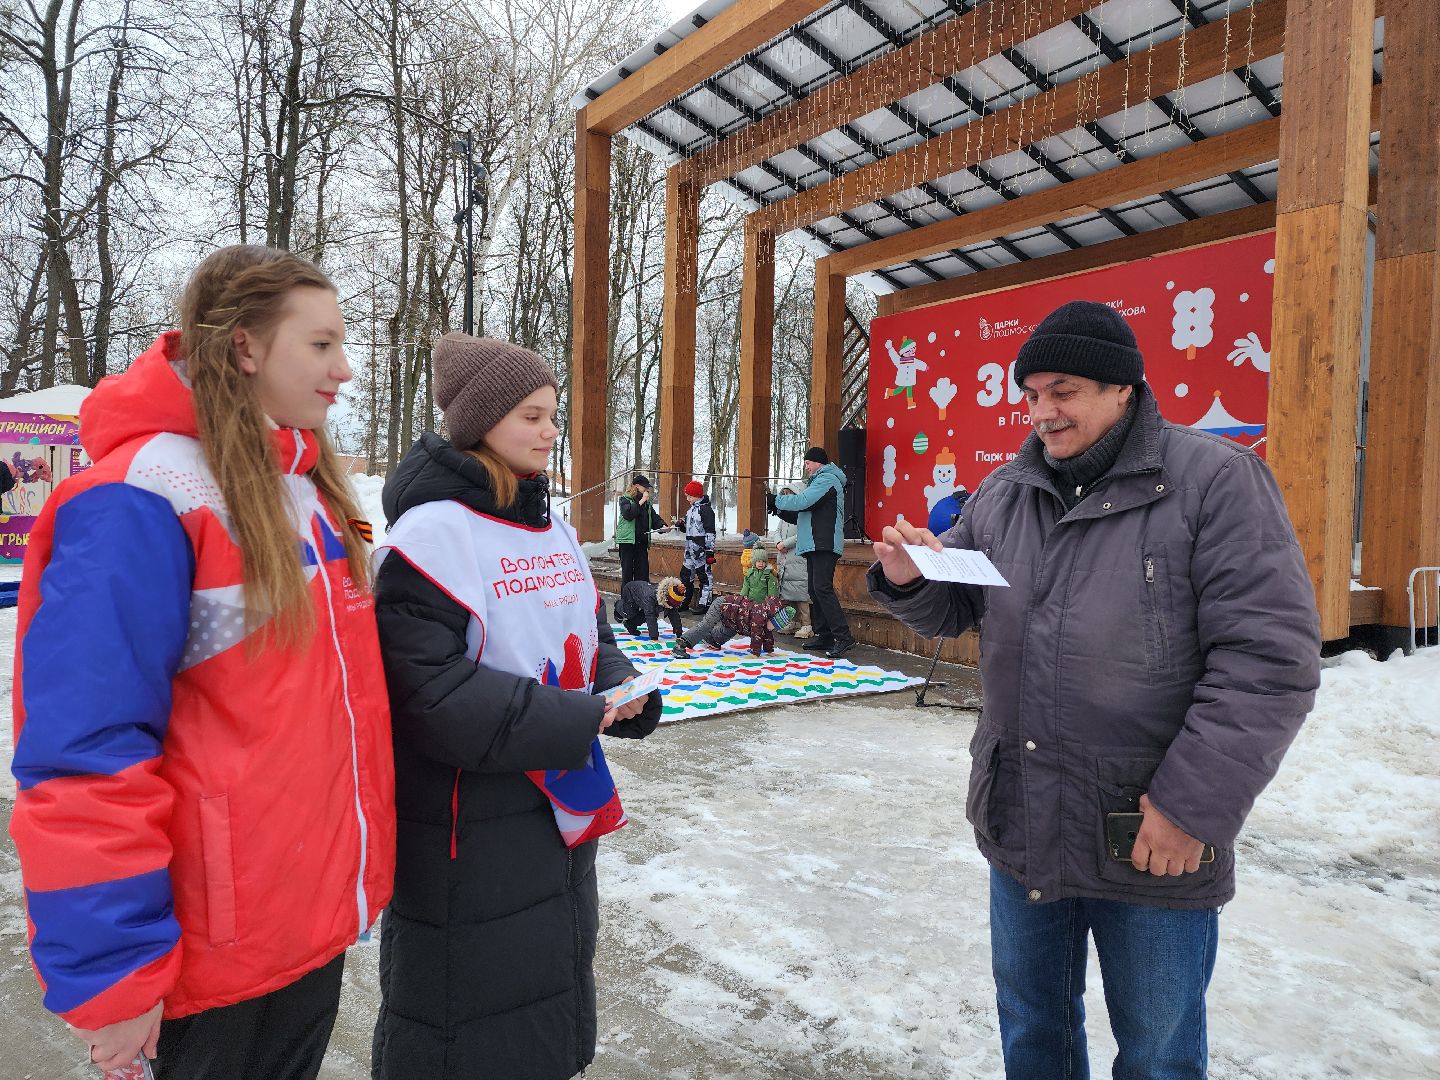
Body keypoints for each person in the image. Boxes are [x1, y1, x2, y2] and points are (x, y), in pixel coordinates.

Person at [868, 300, 1321, 1079]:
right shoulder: (1007, 492)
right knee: (1035, 1039)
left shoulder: (1215, 482)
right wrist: (908, 578)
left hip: (1149, 836)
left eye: (1064, 390)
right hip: (1024, 821)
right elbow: (956, 607)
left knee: (1157, 1058)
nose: (1042, 411)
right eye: (1032, 393)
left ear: (1123, 389)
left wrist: (1190, 810)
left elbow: (1268, 662)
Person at [8, 245, 396, 1078]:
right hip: (203, 958)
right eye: (321, 345)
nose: (346, 369)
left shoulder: (305, 487)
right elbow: (85, 752)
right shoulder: (139, 497)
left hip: (302, 924)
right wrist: (114, 976)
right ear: (245, 347)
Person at [370, 332, 662, 1080]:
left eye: (553, 416)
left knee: (544, 999)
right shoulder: (430, 537)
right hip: (470, 832)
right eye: (531, 415)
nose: (550, 432)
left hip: (557, 815)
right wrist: (572, 720)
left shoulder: (551, 524)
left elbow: (586, 630)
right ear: (479, 422)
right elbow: (429, 695)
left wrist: (623, 688)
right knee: (467, 1025)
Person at [768, 447, 853, 658]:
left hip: (824, 542)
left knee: (822, 588)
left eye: (808, 463)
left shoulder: (828, 480)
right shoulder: (817, 483)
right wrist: (779, 510)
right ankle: (825, 635)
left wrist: (776, 500)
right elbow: (803, 516)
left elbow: (803, 501)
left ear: (819, 463)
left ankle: (844, 637)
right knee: (815, 591)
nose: (806, 466)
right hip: (815, 542)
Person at [672, 592, 794, 658]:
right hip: (722, 605)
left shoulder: (766, 621)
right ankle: (680, 645)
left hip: (734, 619)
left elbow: (767, 635)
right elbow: (756, 636)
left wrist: (769, 650)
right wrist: (756, 654)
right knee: (706, 625)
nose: (772, 629)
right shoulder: (759, 616)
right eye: (774, 625)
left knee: (730, 630)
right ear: (771, 617)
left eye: (775, 628)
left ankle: (711, 638)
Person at [771, 483, 812, 638]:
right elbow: (777, 532)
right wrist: (777, 542)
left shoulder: (803, 514)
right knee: (786, 593)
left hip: (798, 558)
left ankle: (806, 624)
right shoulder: (784, 516)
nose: (787, 499)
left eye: (790, 495)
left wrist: (785, 544)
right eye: (785, 495)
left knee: (801, 594)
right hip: (785, 559)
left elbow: (803, 533)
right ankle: (791, 621)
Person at [615, 473, 667, 590]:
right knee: (627, 574)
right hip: (628, 543)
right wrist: (642, 500)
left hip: (641, 542)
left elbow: (654, 517)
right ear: (637, 486)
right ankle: (626, 604)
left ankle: (642, 602)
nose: (647, 490)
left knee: (642, 574)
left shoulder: (647, 504)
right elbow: (628, 514)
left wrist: (662, 525)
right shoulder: (625, 499)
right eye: (645, 487)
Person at [679, 478, 716, 611]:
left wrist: (709, 550)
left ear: (696, 495)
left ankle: (704, 603)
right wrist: (681, 525)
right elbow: (688, 529)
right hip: (689, 549)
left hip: (701, 549)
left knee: (704, 576)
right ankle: (684, 601)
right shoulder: (690, 511)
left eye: (689, 496)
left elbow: (710, 531)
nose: (687, 498)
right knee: (685, 575)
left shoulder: (706, 510)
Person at [615, 575, 686, 641]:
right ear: (666, 598)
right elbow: (650, 617)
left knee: (651, 611)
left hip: (642, 597)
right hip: (630, 590)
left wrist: (679, 634)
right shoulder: (650, 596)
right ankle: (618, 606)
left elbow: (674, 616)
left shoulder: (670, 596)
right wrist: (654, 637)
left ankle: (630, 624)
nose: (672, 607)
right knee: (630, 613)